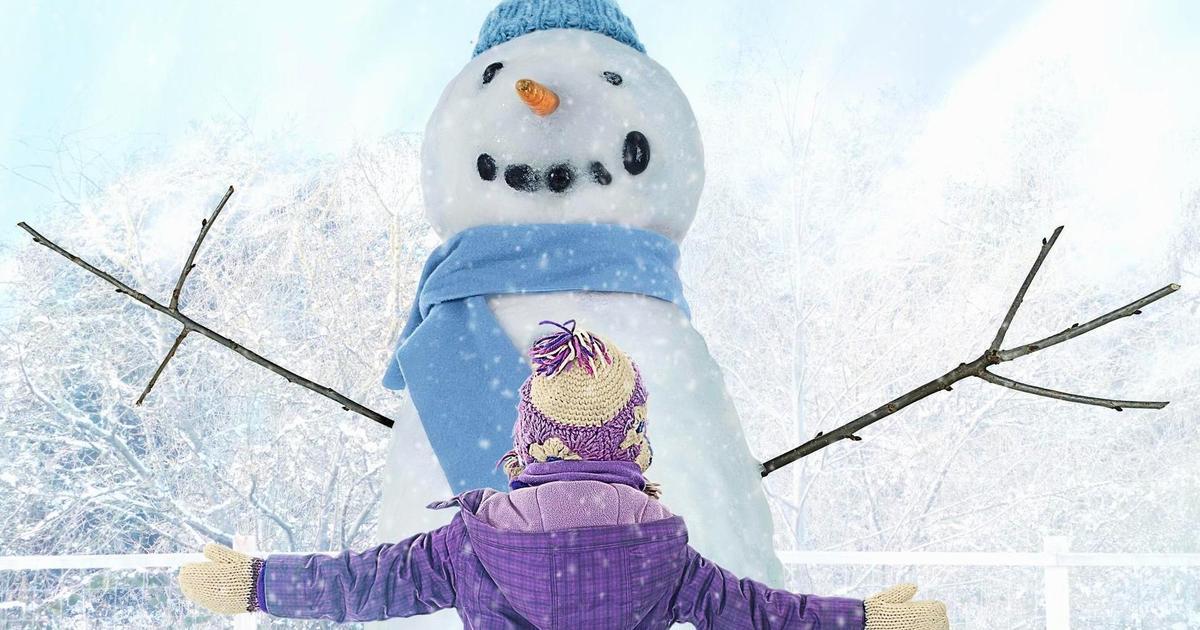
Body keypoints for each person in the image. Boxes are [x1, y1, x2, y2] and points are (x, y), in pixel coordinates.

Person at [179, 321, 949, 629]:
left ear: (530, 442)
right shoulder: (664, 554)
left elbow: (359, 584)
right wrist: (867, 621)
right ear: (632, 444)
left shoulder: (470, 545)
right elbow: (764, 616)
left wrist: (257, 583)